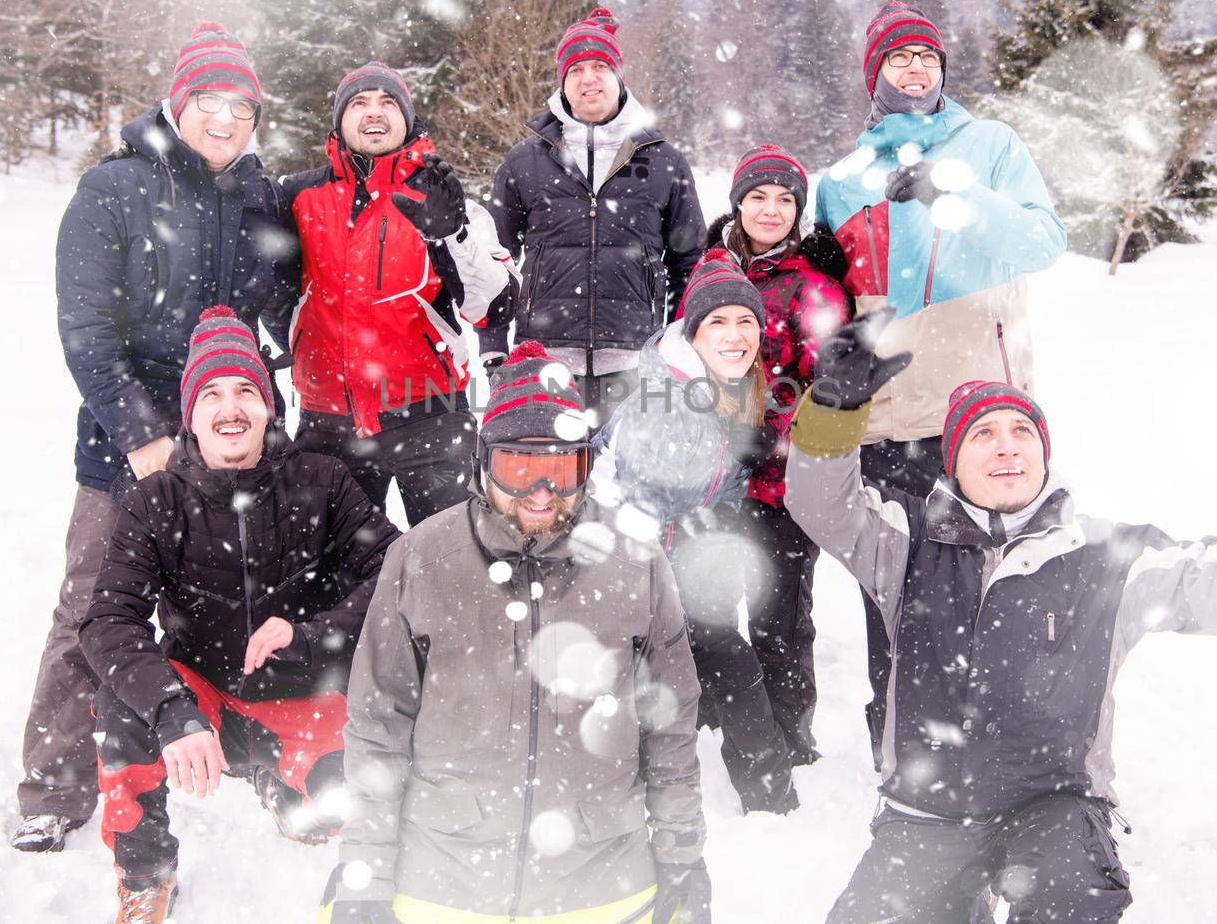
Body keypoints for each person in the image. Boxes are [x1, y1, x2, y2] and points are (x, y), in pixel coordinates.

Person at [784, 309, 1217, 923]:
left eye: (1021, 433)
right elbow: (821, 505)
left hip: (1052, 804)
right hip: (928, 807)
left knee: (1071, 904)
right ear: (952, 460)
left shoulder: (1104, 558)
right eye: (983, 435)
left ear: (1043, 453)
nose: (1006, 447)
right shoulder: (908, 540)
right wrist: (835, 408)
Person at [14, 22, 296, 852]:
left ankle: (250, 752)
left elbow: (281, 313)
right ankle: (53, 786)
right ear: (178, 103)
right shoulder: (114, 190)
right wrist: (141, 435)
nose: (224, 119)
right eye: (209, 101)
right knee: (96, 605)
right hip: (122, 454)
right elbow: (86, 331)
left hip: (232, 442)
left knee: (238, 600)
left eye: (241, 106)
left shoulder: (258, 198)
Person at [320, 343, 710, 924]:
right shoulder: (421, 559)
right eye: (519, 467)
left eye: (560, 468)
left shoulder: (636, 562)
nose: (541, 493)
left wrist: (682, 856)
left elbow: (670, 723)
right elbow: (378, 726)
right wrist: (364, 871)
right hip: (444, 882)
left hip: (601, 884)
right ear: (483, 464)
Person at [81, 307, 399, 923]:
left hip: (301, 691)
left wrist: (311, 635)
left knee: (333, 810)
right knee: (122, 707)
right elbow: (108, 622)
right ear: (191, 418)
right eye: (213, 395)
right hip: (203, 696)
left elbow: (395, 574)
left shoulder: (324, 479)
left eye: (247, 392)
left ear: (269, 408)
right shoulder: (154, 500)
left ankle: (283, 784)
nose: (231, 408)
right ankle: (146, 873)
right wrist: (171, 707)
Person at [812, 1, 1068, 760]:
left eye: (927, 55)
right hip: (887, 416)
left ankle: (1001, 747)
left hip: (979, 414)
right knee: (890, 588)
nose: (917, 66)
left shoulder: (990, 146)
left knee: (995, 588)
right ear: (875, 75)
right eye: (900, 57)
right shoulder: (844, 178)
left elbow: (1043, 241)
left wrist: (951, 196)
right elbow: (825, 293)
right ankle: (894, 741)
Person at [593, 249, 799, 814]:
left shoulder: (730, 390)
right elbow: (628, 507)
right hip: (623, 563)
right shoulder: (665, 401)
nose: (736, 335)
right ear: (693, 331)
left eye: (746, 322)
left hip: (673, 549)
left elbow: (713, 490)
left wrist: (724, 511)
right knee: (682, 662)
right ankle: (619, 796)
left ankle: (769, 800)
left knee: (724, 657)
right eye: (719, 322)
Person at [279, 61, 515, 525]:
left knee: (450, 567)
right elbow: (263, 288)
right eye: (360, 102)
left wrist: (453, 234)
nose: (375, 113)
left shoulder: (442, 196)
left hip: (430, 412)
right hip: (328, 420)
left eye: (388, 102)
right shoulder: (298, 197)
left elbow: (496, 306)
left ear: (407, 119)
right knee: (328, 577)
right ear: (338, 120)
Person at [477, 7, 706, 424]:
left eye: (600, 66)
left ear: (619, 77)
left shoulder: (663, 161)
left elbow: (689, 265)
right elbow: (495, 262)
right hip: (543, 360)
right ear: (562, 82)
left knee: (630, 485)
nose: (589, 78)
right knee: (550, 484)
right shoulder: (524, 162)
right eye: (576, 68)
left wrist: (678, 347)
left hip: (638, 364)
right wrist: (493, 346)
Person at [705, 144, 851, 765]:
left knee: (779, 616)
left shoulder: (814, 288)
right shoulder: (711, 275)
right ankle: (718, 718)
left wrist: (774, 431)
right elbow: (682, 356)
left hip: (780, 488)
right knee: (706, 606)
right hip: (708, 482)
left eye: (785, 200)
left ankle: (790, 738)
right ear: (738, 204)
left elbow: (833, 382)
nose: (771, 210)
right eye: (758, 197)